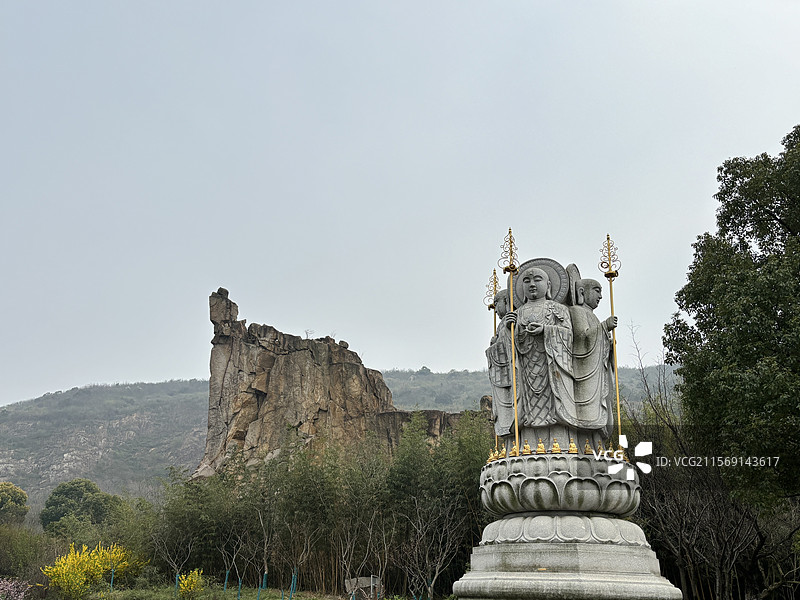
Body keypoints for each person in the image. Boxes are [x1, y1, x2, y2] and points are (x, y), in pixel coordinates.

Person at [505, 267, 579, 431]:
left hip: (552, 367)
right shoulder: (517, 313)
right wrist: (509, 329)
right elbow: (507, 348)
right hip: (526, 369)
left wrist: (546, 330)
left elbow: (569, 336)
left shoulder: (558, 309)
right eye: (526, 281)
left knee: (554, 401)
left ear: (549, 285)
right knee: (526, 403)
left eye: (537, 279)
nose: (532, 284)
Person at [569, 278, 617, 437]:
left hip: (597, 372)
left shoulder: (592, 316)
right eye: (597, 290)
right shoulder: (577, 311)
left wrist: (609, 345)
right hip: (585, 372)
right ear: (582, 292)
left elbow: (595, 338)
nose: (601, 296)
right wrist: (604, 327)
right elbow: (582, 339)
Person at [486, 289, 515, 437]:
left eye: (497, 303)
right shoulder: (502, 324)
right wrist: (494, 345)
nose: (495, 309)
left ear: (507, 301)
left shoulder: (511, 320)